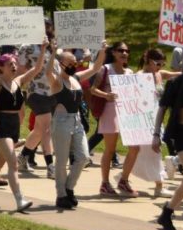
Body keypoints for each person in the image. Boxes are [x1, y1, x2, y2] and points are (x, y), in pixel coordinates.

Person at [0, 37, 48, 212]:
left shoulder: (19, 81)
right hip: (1, 128)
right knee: (13, 164)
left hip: (14, 127)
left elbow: (37, 68)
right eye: (10, 64)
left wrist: (44, 48)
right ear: (1, 68)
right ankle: (19, 200)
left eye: (15, 63)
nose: (14, 66)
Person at [45, 43, 108, 208]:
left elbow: (96, 68)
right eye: (70, 64)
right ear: (62, 65)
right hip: (61, 121)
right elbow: (47, 71)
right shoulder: (57, 82)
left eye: (75, 63)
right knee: (62, 160)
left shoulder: (77, 78)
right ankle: (61, 195)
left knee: (83, 157)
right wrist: (52, 52)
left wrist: (102, 50)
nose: (74, 66)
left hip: (77, 120)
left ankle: (69, 187)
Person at [117, 48, 181, 197]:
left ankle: (124, 178)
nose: (160, 67)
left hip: (155, 120)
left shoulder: (160, 74)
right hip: (142, 121)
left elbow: (178, 74)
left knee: (148, 153)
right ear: (150, 61)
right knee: (150, 151)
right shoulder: (139, 76)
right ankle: (157, 185)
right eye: (158, 63)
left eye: (163, 64)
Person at [90, 41, 138, 196]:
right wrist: (106, 95)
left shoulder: (130, 72)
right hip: (110, 112)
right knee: (110, 150)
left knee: (135, 147)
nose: (124, 53)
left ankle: (123, 180)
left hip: (127, 113)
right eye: (120, 50)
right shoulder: (106, 69)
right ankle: (105, 183)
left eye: (127, 50)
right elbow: (93, 89)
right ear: (114, 53)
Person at [152, 50, 183, 230]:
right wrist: (156, 134)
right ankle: (167, 213)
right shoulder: (176, 83)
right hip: (182, 134)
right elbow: (162, 108)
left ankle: (167, 213)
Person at [16, 18, 59, 178]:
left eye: (49, 26)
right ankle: (50, 166)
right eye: (44, 25)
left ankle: (22, 157)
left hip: (53, 92)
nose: (47, 28)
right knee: (47, 128)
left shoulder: (53, 45)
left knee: (39, 130)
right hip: (36, 92)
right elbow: (20, 69)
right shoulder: (27, 47)